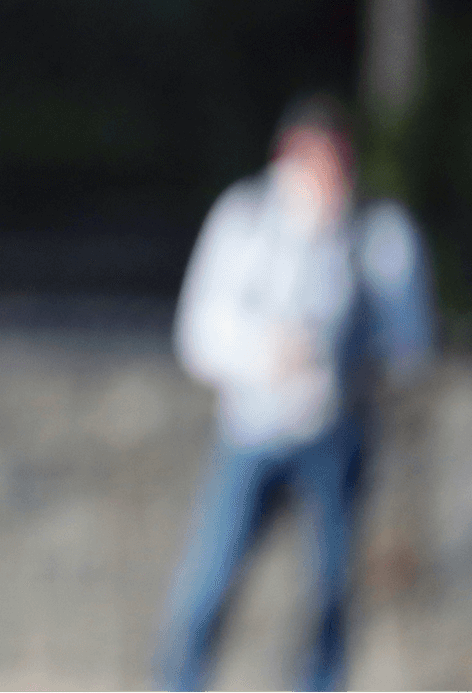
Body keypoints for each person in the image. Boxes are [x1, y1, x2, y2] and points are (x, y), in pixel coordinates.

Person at [153, 94, 435, 692]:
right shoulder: (245, 220)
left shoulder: (379, 236)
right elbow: (197, 333)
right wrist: (269, 352)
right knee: (207, 585)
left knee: (330, 594)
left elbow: (411, 347)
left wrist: (360, 355)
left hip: (339, 438)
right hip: (251, 432)